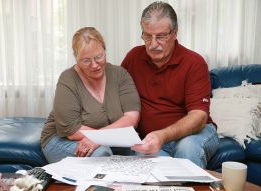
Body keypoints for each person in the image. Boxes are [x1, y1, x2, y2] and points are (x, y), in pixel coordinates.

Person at [121, 1, 219, 168]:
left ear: (174, 34)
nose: (152, 44)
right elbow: (114, 95)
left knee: (187, 149)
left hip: (195, 134)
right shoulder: (134, 57)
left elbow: (199, 116)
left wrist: (162, 135)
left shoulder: (194, 63)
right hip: (152, 138)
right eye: (147, 35)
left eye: (160, 36)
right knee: (148, 163)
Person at [41, 27, 140, 163]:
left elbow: (131, 118)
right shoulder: (67, 79)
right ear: (76, 58)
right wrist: (102, 139)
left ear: (104, 51)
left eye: (99, 57)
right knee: (102, 154)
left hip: (104, 140)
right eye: (86, 61)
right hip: (61, 139)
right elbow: (72, 131)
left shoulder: (120, 75)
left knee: (142, 153)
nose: (94, 65)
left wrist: (97, 138)